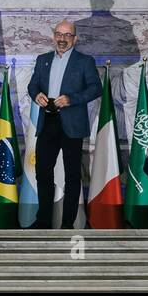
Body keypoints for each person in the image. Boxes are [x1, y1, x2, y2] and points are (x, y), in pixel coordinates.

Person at [27, 20, 102, 228]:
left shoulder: (84, 61)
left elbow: (96, 88)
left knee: (72, 175)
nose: (62, 39)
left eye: (67, 35)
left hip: (72, 124)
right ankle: (43, 221)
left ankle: (67, 224)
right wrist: (37, 95)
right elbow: (32, 85)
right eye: (59, 34)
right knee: (42, 173)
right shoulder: (42, 60)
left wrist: (71, 99)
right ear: (53, 36)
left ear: (74, 39)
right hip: (47, 122)